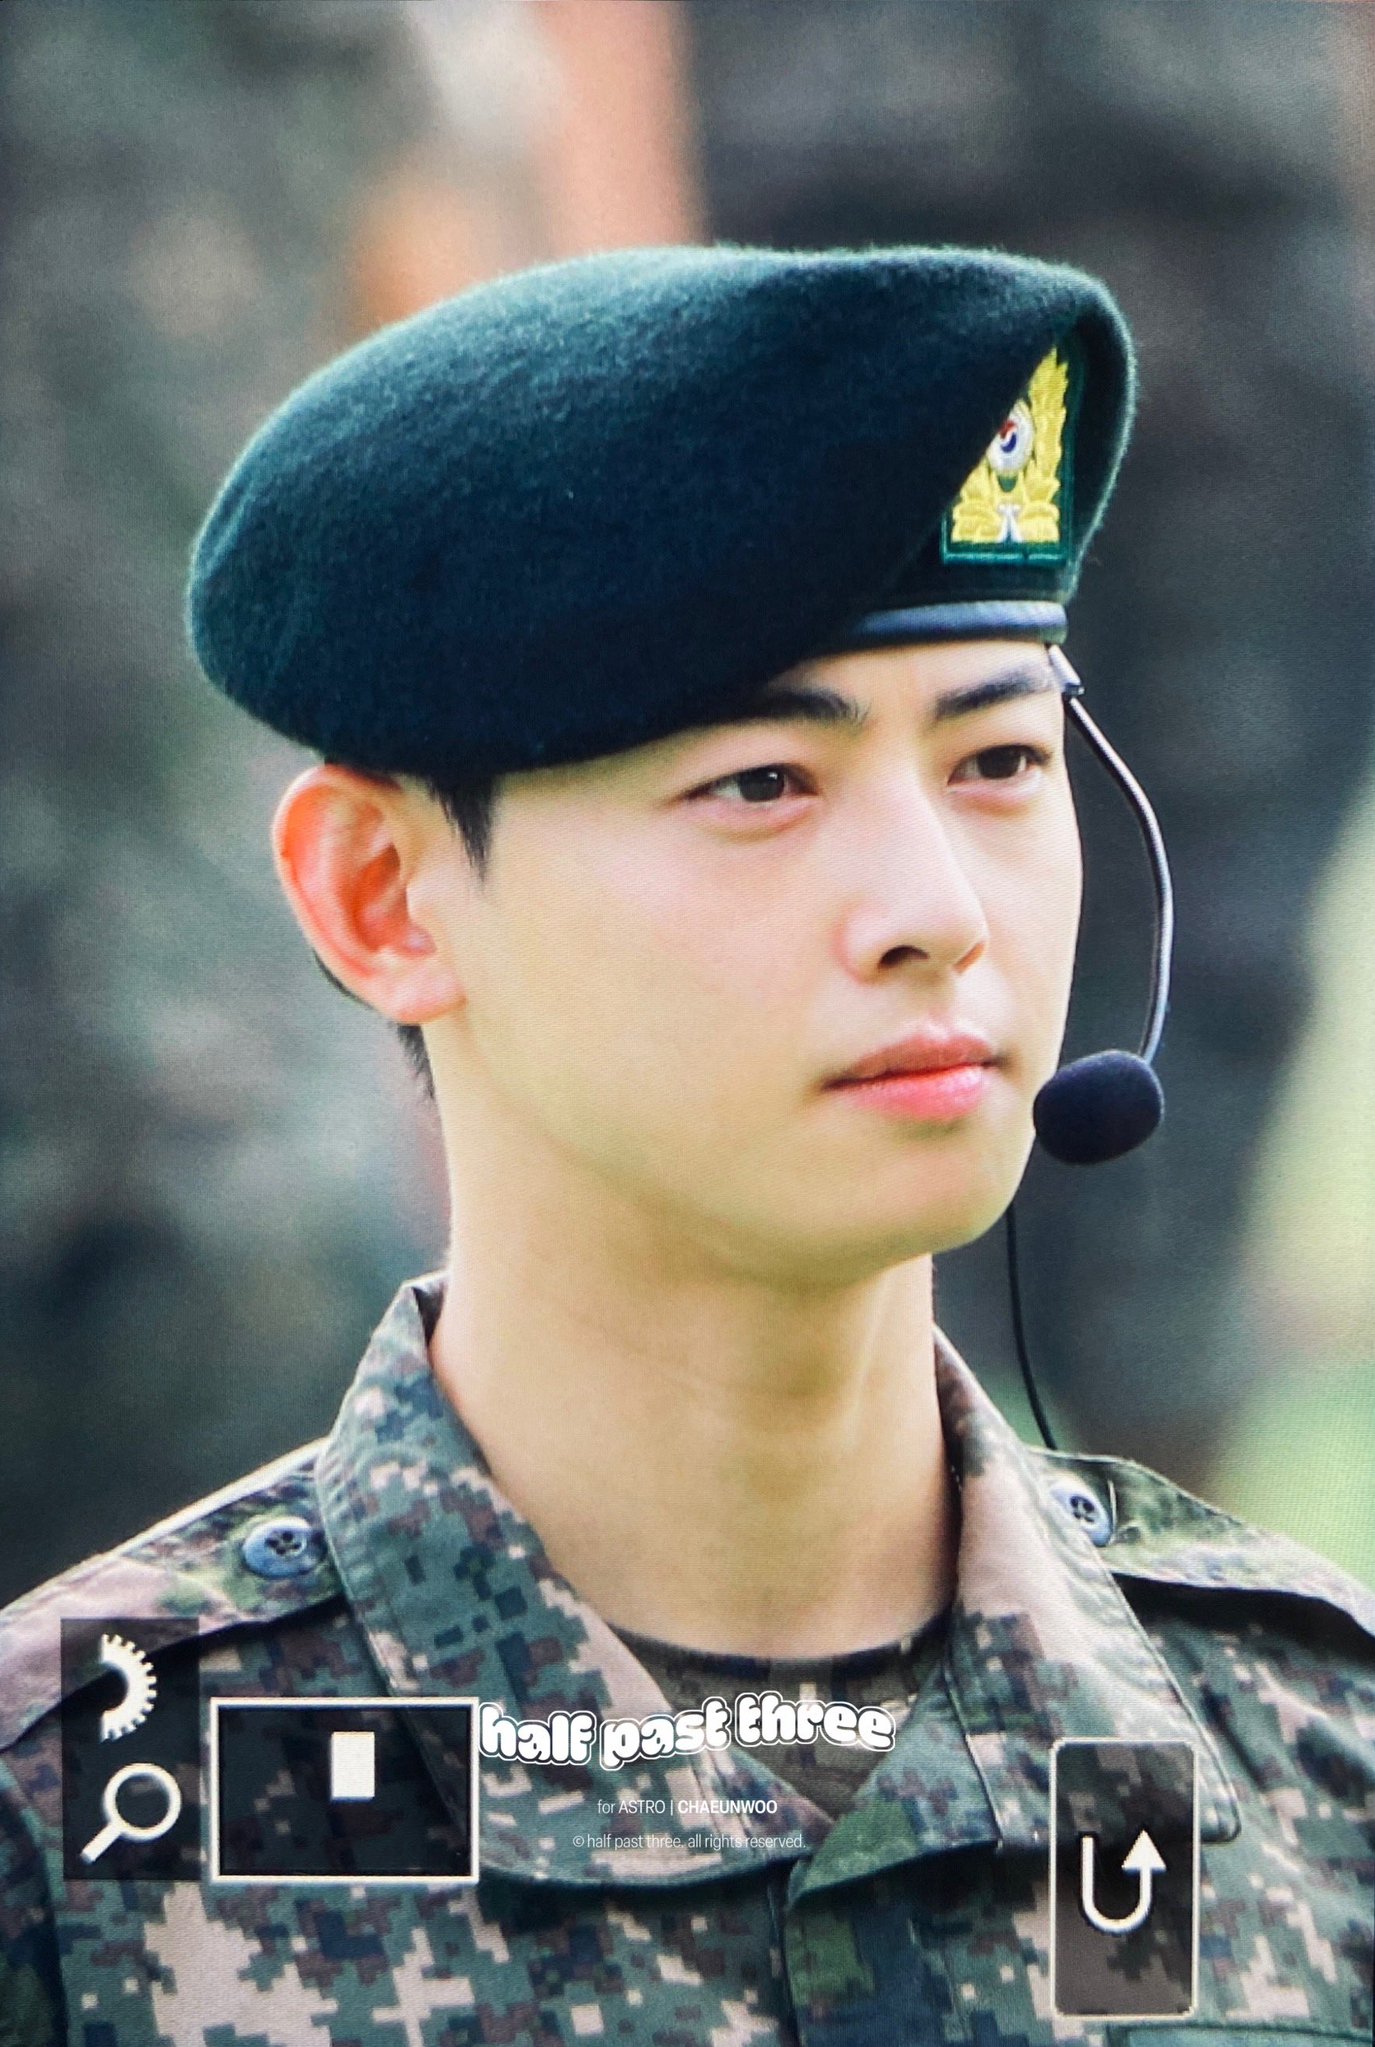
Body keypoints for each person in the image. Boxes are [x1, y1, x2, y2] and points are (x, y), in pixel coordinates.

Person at [1, 244, 1372, 2045]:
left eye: (999, 762)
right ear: (383, 895)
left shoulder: (1304, 1766)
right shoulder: (85, 1827)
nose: (939, 913)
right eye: (762, 785)